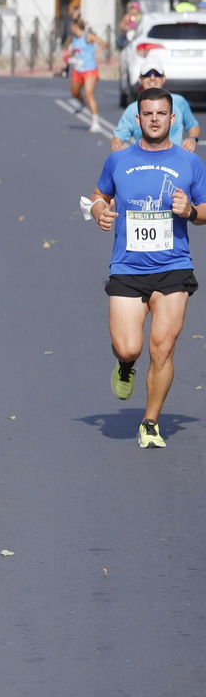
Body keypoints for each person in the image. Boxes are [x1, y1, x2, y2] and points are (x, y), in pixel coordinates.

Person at [89, 88, 206, 448]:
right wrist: (99, 212)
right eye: (147, 113)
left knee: (163, 347)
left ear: (173, 119)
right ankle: (125, 366)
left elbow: (204, 212)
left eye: (161, 114)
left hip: (173, 266)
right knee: (128, 347)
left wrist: (189, 210)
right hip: (127, 267)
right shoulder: (118, 160)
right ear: (137, 119)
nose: (154, 119)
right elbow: (98, 196)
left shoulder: (190, 163)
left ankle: (150, 422)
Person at [112, 67, 199, 151]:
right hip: (144, 162)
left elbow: (193, 126)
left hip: (173, 162)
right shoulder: (132, 109)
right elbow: (117, 139)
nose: (152, 78)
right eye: (147, 74)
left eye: (156, 74)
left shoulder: (179, 102)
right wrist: (116, 147)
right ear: (140, 79)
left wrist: (193, 139)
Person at [64, 18, 108, 132]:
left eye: (71, 26)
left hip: (89, 69)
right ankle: (82, 103)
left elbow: (104, 43)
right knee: (74, 93)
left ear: (76, 26)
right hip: (78, 70)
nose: (70, 29)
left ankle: (95, 122)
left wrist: (101, 49)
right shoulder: (74, 38)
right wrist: (70, 55)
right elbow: (76, 50)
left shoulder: (88, 36)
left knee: (89, 94)